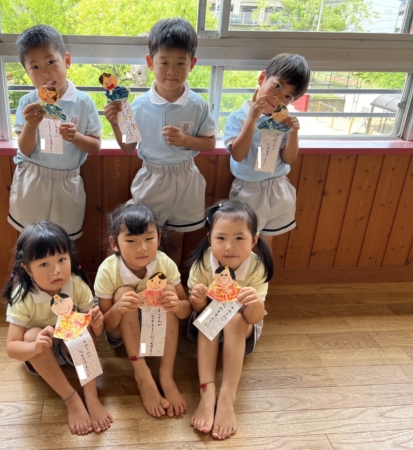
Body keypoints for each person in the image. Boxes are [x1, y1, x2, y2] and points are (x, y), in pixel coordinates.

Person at [103, 17, 216, 266]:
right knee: (141, 238)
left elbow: (209, 143)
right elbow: (128, 148)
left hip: (186, 180)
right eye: (164, 62)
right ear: (150, 62)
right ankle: (139, 283)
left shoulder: (198, 104)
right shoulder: (137, 106)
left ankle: (168, 285)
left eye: (180, 63)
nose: (172, 71)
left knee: (175, 241)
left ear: (192, 64)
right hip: (151, 180)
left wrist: (186, 140)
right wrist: (115, 123)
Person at [1, 222, 112, 435]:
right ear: (27, 269)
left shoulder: (76, 285)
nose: (56, 271)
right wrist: (34, 347)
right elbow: (12, 347)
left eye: (62, 259)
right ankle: (72, 400)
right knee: (32, 334)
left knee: (81, 328)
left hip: (72, 350)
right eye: (44, 264)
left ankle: (91, 397)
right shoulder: (23, 297)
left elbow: (93, 335)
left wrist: (97, 325)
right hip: (41, 356)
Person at [187, 200, 274, 440]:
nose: (229, 246)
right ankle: (207, 392)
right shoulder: (203, 262)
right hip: (208, 319)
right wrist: (197, 299)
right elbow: (198, 311)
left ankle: (227, 396)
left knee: (235, 319)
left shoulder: (256, 267)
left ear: (254, 240)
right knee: (210, 316)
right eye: (221, 238)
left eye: (239, 238)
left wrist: (255, 304)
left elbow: (254, 318)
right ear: (210, 238)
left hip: (243, 324)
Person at [94, 203, 191, 418]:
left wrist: (177, 305)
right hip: (121, 330)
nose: (142, 248)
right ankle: (142, 374)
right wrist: (118, 308)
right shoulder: (108, 270)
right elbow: (107, 327)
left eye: (149, 238)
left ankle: (166, 376)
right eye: (131, 241)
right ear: (114, 243)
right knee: (124, 293)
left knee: (167, 291)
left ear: (159, 238)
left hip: (154, 328)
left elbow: (186, 310)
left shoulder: (164, 263)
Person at [8, 25, 102, 240]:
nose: (45, 72)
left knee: (63, 242)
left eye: (50, 62)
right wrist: (31, 125)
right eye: (35, 67)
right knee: (31, 243)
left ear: (66, 60)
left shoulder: (83, 102)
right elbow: (25, 149)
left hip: (67, 182)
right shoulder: (28, 102)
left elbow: (96, 146)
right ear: (27, 72)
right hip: (32, 179)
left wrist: (75, 137)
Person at [224, 53, 310, 251]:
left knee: (266, 243)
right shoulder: (238, 117)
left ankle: (262, 272)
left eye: (288, 96)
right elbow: (238, 155)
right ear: (262, 78)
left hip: (277, 189)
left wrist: (294, 132)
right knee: (242, 240)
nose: (278, 97)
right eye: (277, 86)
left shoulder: (280, 119)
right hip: (248, 190)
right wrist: (252, 119)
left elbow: (288, 158)